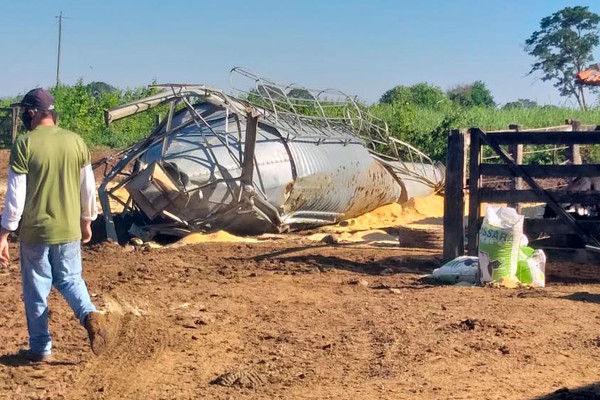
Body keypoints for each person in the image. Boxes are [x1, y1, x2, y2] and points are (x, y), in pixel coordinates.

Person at [0, 88, 110, 362]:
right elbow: (88, 187)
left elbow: (16, 196)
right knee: (70, 278)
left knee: (36, 288)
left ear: (31, 113)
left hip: (35, 231)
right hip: (68, 229)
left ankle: (40, 348)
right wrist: (88, 220)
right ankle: (88, 314)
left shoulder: (24, 144)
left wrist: (4, 232)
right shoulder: (76, 142)